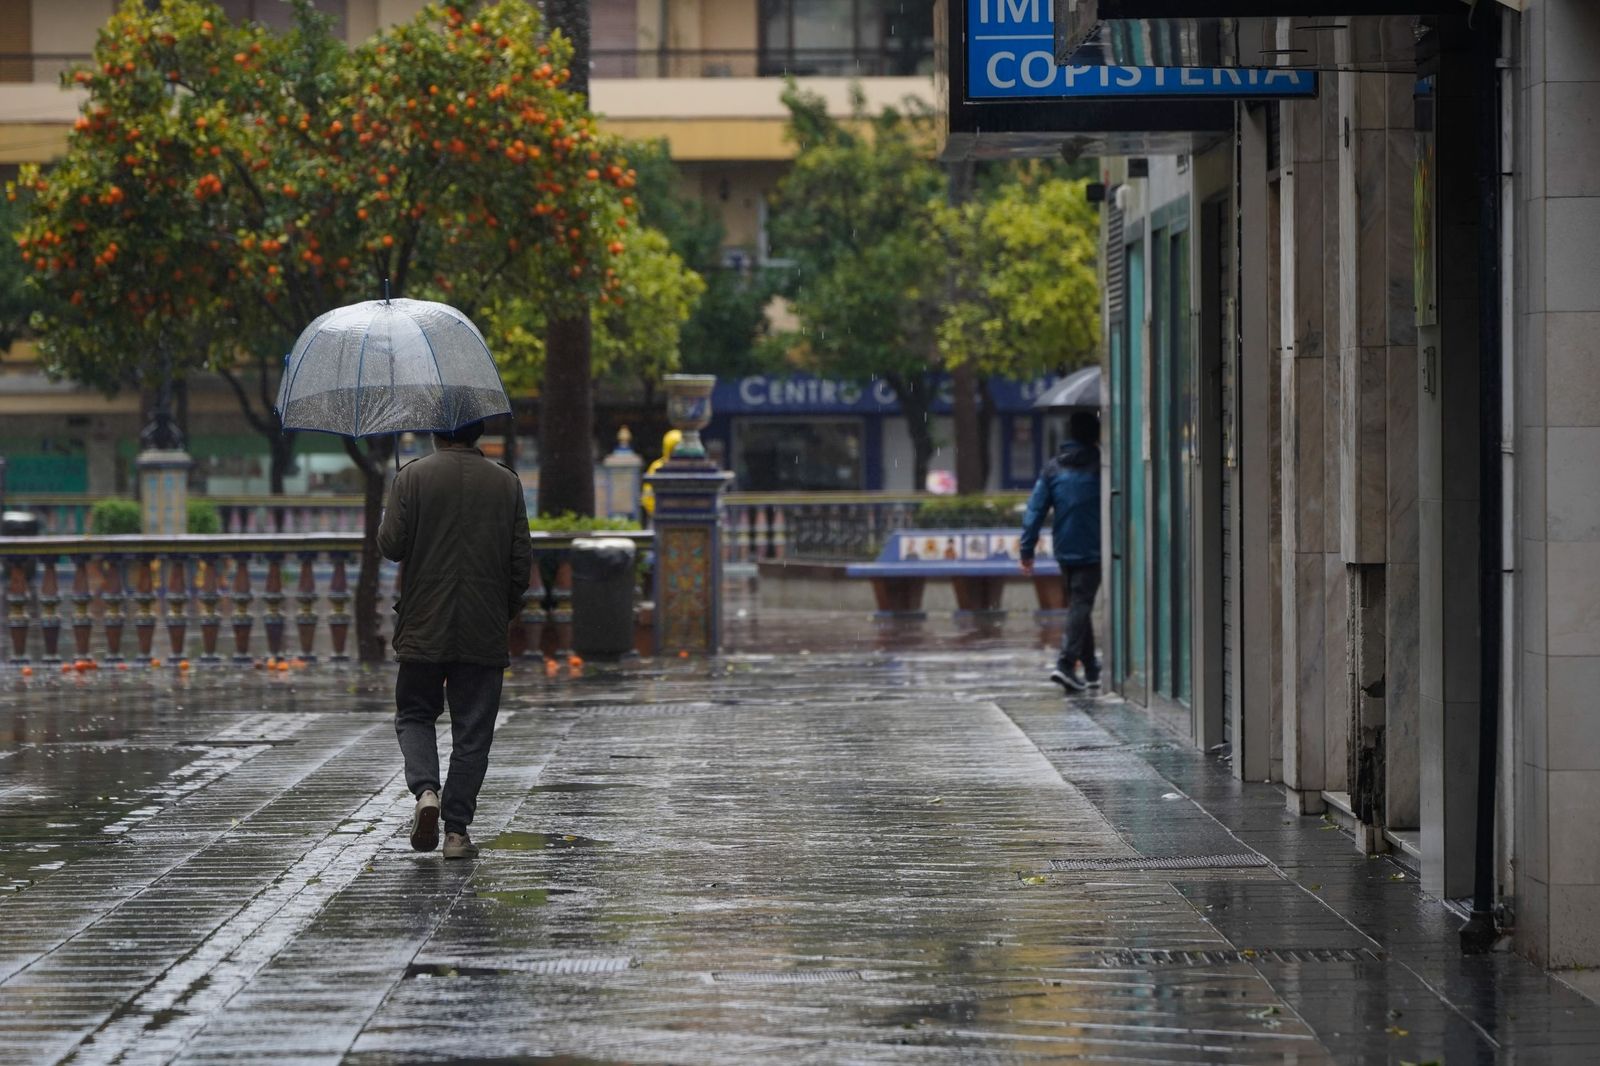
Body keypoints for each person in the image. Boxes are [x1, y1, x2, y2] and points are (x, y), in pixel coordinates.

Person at [377, 419, 532, 859]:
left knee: (414, 713)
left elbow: (391, 546)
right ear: (477, 432)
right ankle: (457, 832)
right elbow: (521, 561)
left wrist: (395, 502)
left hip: (424, 622)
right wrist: (502, 612)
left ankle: (426, 790)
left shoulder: (412, 476)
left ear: (436, 434)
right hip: (482, 626)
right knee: (473, 731)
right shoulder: (507, 483)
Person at [1020, 410, 1102, 695]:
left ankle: (1091, 669)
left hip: (1065, 547)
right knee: (1081, 603)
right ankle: (1066, 663)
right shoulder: (1101, 465)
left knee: (1080, 604)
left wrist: (1026, 548)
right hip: (1095, 546)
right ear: (1096, 434)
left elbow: (1035, 509)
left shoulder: (1053, 468)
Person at [639, 428, 682, 523]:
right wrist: (656, 513)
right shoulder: (657, 467)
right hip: (659, 517)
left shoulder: (688, 466)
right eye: (674, 448)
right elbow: (647, 495)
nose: (677, 452)